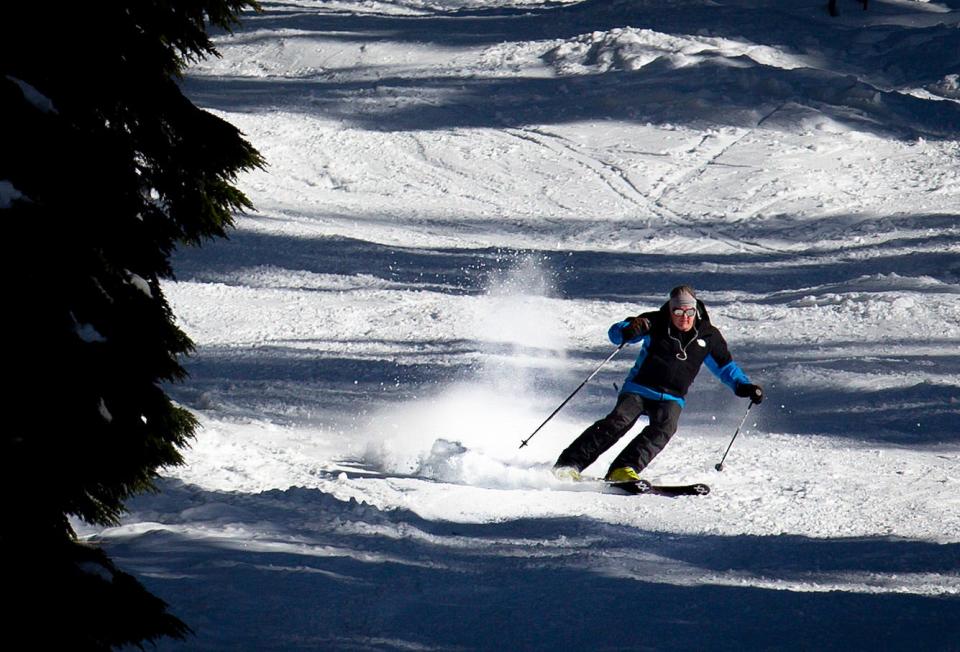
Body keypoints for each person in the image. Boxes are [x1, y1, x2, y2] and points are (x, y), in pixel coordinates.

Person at [553, 285, 763, 482]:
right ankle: (569, 464)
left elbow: (726, 367)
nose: (684, 318)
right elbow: (615, 334)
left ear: (695, 310)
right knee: (619, 421)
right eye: (678, 313)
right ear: (670, 310)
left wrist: (743, 386)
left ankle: (623, 469)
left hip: (672, 397)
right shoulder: (654, 322)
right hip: (639, 388)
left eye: (689, 312)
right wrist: (628, 329)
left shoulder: (709, 335)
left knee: (665, 428)